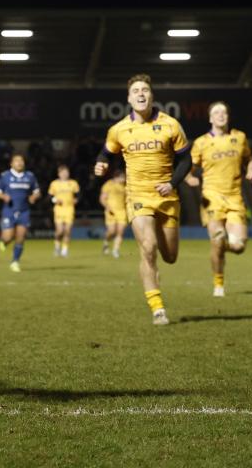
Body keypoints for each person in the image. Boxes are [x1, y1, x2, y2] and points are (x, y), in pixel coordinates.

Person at [94, 73, 191, 325]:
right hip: (137, 196)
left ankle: (160, 235)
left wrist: (171, 184)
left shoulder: (171, 124)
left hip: (167, 197)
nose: (140, 94)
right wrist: (101, 164)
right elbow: (105, 153)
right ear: (129, 98)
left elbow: (186, 160)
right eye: (136, 90)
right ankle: (157, 308)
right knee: (148, 248)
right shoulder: (119, 129)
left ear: (151, 96)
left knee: (169, 256)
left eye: (144, 90)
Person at [186, 101, 252, 296]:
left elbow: (249, 160)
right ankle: (218, 284)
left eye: (224, 112)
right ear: (210, 118)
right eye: (216, 112)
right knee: (217, 240)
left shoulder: (239, 137)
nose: (220, 115)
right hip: (212, 196)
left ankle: (225, 242)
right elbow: (188, 168)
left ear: (228, 116)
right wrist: (189, 178)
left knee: (239, 246)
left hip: (235, 197)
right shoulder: (201, 142)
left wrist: (251, 171)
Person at [0, 154, 41, 271]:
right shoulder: (5, 176)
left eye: (21, 160)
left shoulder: (30, 176)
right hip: (9, 211)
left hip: (24, 211)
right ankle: (4, 241)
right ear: (11, 163)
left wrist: (33, 197)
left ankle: (15, 261)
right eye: (16, 161)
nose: (19, 163)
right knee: (8, 237)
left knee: (21, 237)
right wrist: (3, 196)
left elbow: (37, 191)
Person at [48, 164, 80, 257]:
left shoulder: (73, 183)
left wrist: (76, 200)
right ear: (59, 174)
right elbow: (49, 196)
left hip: (69, 209)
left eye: (66, 172)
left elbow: (78, 195)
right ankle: (57, 246)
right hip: (59, 209)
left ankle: (64, 250)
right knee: (59, 231)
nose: (65, 174)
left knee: (67, 231)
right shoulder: (54, 184)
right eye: (63, 172)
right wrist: (55, 200)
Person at [99, 169, 127, 258]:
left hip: (122, 211)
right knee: (112, 231)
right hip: (111, 211)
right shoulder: (109, 184)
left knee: (120, 232)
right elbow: (102, 198)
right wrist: (107, 206)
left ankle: (115, 250)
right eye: (122, 177)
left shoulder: (126, 186)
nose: (124, 179)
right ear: (116, 177)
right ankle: (106, 242)